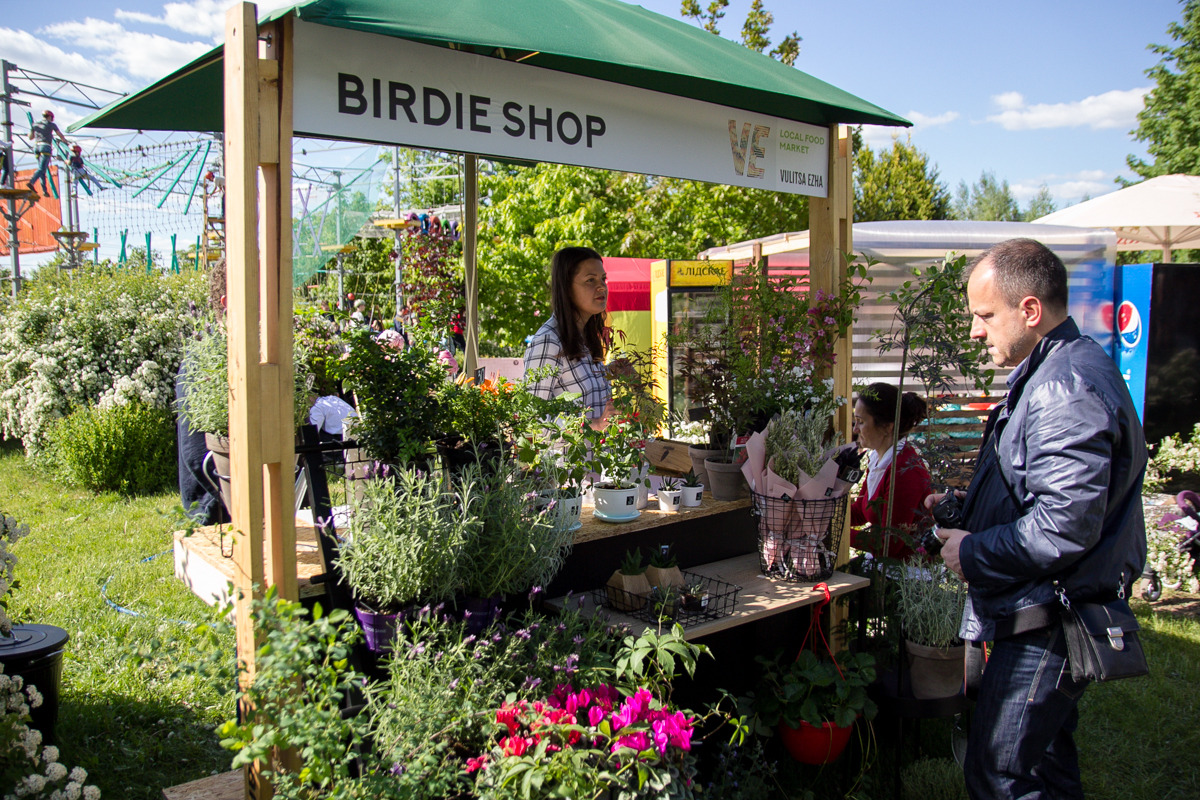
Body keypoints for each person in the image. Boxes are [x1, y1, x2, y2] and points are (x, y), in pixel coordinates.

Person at [929, 238, 1147, 800]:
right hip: (1040, 608)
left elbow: (1063, 524)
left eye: (984, 316)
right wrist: (965, 508)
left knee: (1000, 773)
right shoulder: (1054, 370)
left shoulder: (1063, 387)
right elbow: (1035, 489)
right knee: (1045, 765)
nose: (977, 332)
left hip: (1048, 620)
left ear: (1029, 310)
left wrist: (971, 553)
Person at [523, 246, 614, 426]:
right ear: (566, 287)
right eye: (590, 280)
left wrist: (611, 372)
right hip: (564, 455)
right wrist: (594, 424)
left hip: (596, 454)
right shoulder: (549, 341)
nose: (601, 287)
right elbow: (531, 421)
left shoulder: (585, 336)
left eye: (603, 279)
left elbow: (579, 386)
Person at [849, 382, 933, 560]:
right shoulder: (878, 459)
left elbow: (890, 544)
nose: (855, 429)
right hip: (885, 566)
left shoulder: (904, 471)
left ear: (888, 427)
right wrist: (819, 514)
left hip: (907, 575)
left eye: (861, 422)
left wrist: (832, 532)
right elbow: (859, 511)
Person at [28, 110, 68, 195]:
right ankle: (31, 182)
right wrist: (65, 141)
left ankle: (44, 190)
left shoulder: (35, 124)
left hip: (36, 147)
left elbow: (30, 137)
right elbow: (60, 134)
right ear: (50, 117)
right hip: (45, 146)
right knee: (42, 168)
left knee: (42, 169)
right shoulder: (52, 125)